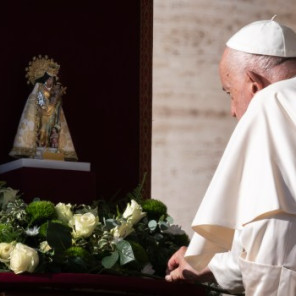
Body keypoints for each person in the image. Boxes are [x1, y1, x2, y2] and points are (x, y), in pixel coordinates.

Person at [165, 18, 296, 295]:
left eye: (230, 93)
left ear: (254, 85)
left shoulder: (270, 105)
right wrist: (210, 263)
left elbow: (275, 255)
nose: (233, 111)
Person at [9, 55, 78, 161]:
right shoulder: (39, 88)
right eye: (50, 78)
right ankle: (41, 147)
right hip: (43, 114)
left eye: (53, 78)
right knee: (43, 131)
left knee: (52, 132)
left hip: (52, 115)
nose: (52, 80)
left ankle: (49, 148)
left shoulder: (54, 90)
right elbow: (40, 102)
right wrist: (47, 106)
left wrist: (56, 101)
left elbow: (57, 104)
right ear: (45, 78)